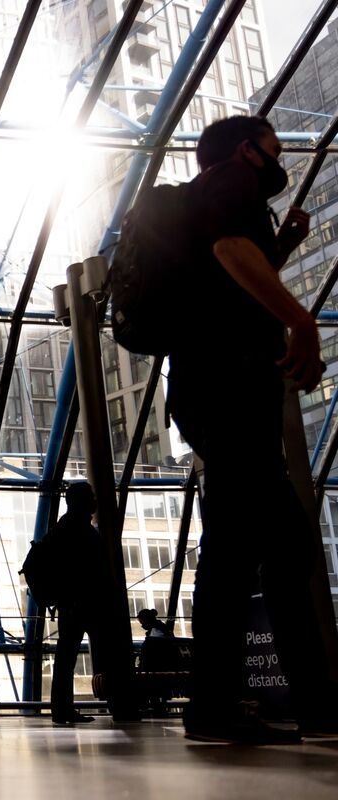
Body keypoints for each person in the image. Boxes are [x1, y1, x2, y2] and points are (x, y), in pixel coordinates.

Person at [168, 115, 338, 743]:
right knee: (276, 545)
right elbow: (229, 252)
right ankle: (292, 706)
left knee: (246, 547)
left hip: (210, 388)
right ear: (246, 150)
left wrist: (285, 245)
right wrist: (302, 320)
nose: (279, 157)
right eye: (273, 147)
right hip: (230, 386)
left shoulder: (207, 197)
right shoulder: (231, 180)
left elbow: (227, 277)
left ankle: (251, 705)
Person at [47, 482, 108, 725]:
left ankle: (61, 709)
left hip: (71, 602)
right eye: (91, 497)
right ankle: (63, 709)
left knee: (65, 658)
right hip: (82, 601)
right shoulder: (79, 529)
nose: (95, 500)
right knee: (71, 656)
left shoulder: (64, 527)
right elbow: (88, 567)